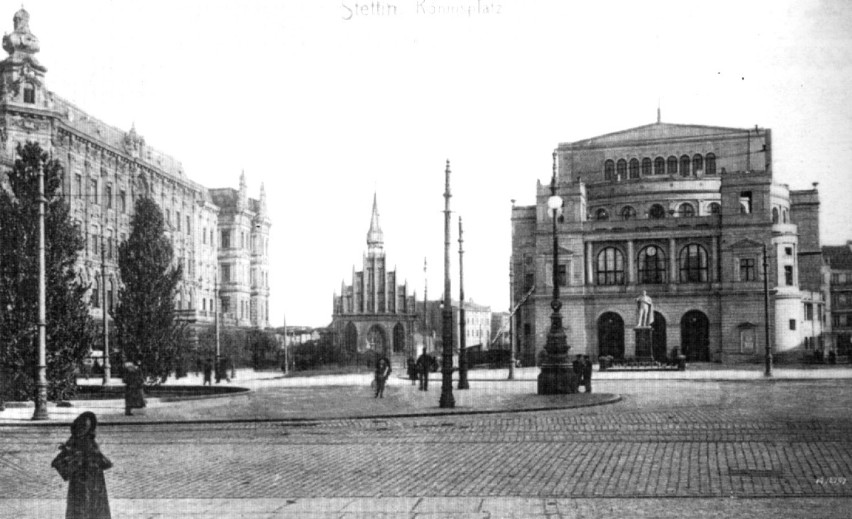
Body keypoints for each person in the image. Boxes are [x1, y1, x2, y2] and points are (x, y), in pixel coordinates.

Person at [51, 411, 113, 519]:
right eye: (83, 427)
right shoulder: (77, 440)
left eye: (87, 427)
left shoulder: (88, 440)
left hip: (93, 479)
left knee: (91, 505)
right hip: (82, 479)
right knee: (82, 506)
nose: (84, 430)